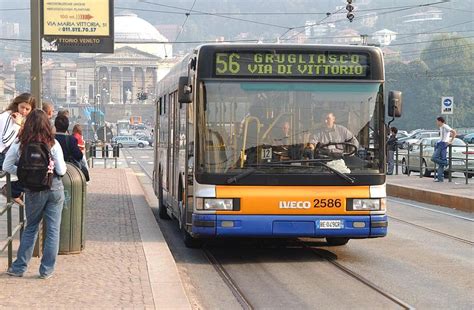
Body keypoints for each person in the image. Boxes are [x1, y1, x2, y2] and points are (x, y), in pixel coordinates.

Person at [3, 110, 66, 279]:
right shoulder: (53, 143)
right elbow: (61, 170)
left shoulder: (20, 143)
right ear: (47, 124)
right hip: (54, 188)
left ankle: (19, 267)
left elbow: (7, 166)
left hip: (32, 190)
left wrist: (25, 173)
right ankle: (46, 270)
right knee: (53, 230)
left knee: (31, 228)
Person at [0, 93, 36, 202]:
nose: (24, 111)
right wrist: (17, 125)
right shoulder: (7, 116)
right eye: (22, 107)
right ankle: (11, 190)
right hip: (1, 156)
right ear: (17, 104)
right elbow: (6, 141)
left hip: (6, 155)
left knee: (33, 167)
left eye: (27, 109)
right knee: (29, 171)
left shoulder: (17, 117)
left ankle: (13, 191)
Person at [431, 116, 456, 182]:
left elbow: (454, 132)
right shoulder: (441, 127)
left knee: (434, 158)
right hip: (440, 143)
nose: (436, 122)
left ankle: (446, 163)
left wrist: (451, 141)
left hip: (443, 144)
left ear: (440, 121)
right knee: (441, 162)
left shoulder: (445, 126)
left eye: (437, 121)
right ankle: (440, 178)